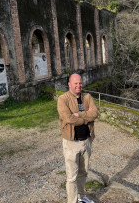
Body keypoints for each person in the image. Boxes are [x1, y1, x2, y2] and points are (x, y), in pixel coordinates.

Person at [57, 73, 98, 203]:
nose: (78, 85)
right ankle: (72, 201)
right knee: (71, 176)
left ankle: (81, 197)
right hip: (71, 143)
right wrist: (86, 117)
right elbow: (68, 118)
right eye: (75, 83)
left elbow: (95, 113)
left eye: (80, 83)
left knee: (83, 172)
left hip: (86, 141)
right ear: (69, 84)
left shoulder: (87, 97)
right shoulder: (63, 99)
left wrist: (79, 115)